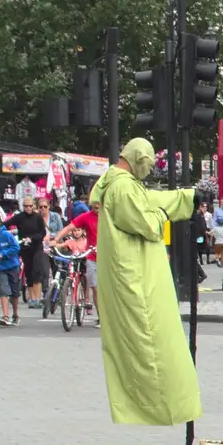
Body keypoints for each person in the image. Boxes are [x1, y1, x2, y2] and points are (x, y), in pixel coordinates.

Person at [88, 139, 205, 425]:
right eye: (149, 164)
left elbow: (152, 200)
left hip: (128, 273)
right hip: (135, 276)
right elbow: (148, 222)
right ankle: (159, 405)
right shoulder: (124, 187)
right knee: (153, 341)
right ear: (139, 158)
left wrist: (184, 199)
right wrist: (162, 214)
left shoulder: (116, 184)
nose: (150, 170)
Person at [47, 199, 101, 319]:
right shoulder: (86, 217)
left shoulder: (110, 216)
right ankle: (100, 317)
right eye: (95, 204)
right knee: (96, 289)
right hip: (92, 256)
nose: (97, 207)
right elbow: (68, 228)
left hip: (108, 257)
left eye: (99, 204)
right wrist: (55, 240)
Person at [4, 196, 47, 309]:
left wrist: (31, 238)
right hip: (24, 248)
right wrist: (1, 233)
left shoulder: (38, 217)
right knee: (28, 272)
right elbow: (5, 224)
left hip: (37, 247)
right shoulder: (19, 217)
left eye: (30, 206)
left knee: (37, 271)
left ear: (34, 206)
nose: (28, 208)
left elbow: (42, 233)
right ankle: (32, 299)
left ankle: (38, 298)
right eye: (25, 206)